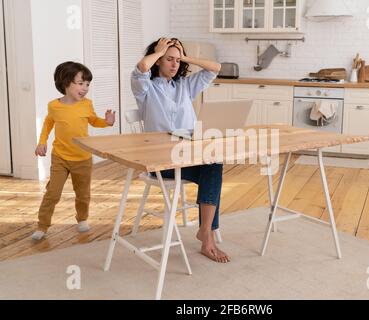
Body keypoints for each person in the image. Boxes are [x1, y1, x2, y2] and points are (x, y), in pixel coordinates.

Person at [131, 38, 230, 263]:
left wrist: (183, 55)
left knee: (214, 164)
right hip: (160, 161)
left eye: (178, 60)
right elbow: (142, 68)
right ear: (158, 60)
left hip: (187, 155)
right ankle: (208, 234)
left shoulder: (184, 85)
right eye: (169, 59)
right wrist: (159, 51)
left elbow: (215, 68)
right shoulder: (145, 87)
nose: (175, 64)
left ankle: (206, 233)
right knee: (211, 171)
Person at [32, 62, 116, 241]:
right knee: (52, 193)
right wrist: (42, 142)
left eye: (87, 84)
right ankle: (42, 225)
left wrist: (106, 122)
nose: (85, 88)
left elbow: (93, 121)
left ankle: (82, 218)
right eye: (80, 83)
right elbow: (48, 124)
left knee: (83, 193)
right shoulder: (54, 106)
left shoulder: (87, 104)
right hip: (60, 157)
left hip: (83, 158)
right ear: (66, 82)